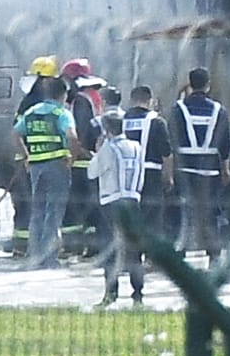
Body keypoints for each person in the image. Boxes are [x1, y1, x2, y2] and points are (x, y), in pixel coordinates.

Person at [13, 77, 82, 268]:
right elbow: (72, 137)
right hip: (57, 166)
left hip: (36, 167)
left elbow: (16, 133)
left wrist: (26, 156)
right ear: (63, 94)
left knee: (37, 211)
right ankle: (48, 258)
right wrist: (72, 158)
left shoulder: (31, 112)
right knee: (54, 212)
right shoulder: (62, 113)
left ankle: (32, 255)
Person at [168, 66, 230, 263]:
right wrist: (225, 168)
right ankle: (214, 254)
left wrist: (169, 172)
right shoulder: (219, 110)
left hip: (185, 169)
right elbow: (225, 143)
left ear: (190, 84)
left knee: (183, 212)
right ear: (208, 85)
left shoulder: (178, 109)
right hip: (210, 171)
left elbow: (171, 140)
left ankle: (179, 253)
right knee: (211, 213)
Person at [88, 110, 147, 308]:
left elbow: (92, 172)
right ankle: (138, 294)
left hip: (111, 202)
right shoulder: (136, 146)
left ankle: (110, 293)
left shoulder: (108, 148)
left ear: (106, 130)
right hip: (133, 200)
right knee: (134, 249)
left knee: (110, 248)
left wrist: (97, 151)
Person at [9, 55, 60, 257]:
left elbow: (16, 130)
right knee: (40, 204)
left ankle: (21, 246)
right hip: (41, 160)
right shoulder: (45, 105)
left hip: (26, 160)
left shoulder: (26, 102)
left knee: (24, 204)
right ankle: (37, 246)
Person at [61, 58, 105, 257]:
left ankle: (73, 246)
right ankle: (94, 246)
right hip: (94, 159)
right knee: (91, 206)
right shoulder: (93, 97)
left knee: (73, 206)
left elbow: (80, 130)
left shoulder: (79, 101)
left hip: (80, 161)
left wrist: (74, 152)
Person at [123, 85, 176, 247]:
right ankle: (153, 255)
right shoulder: (157, 122)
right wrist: (169, 177)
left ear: (131, 100)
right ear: (150, 101)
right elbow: (167, 153)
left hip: (127, 175)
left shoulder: (121, 120)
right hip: (151, 174)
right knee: (152, 218)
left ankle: (131, 254)